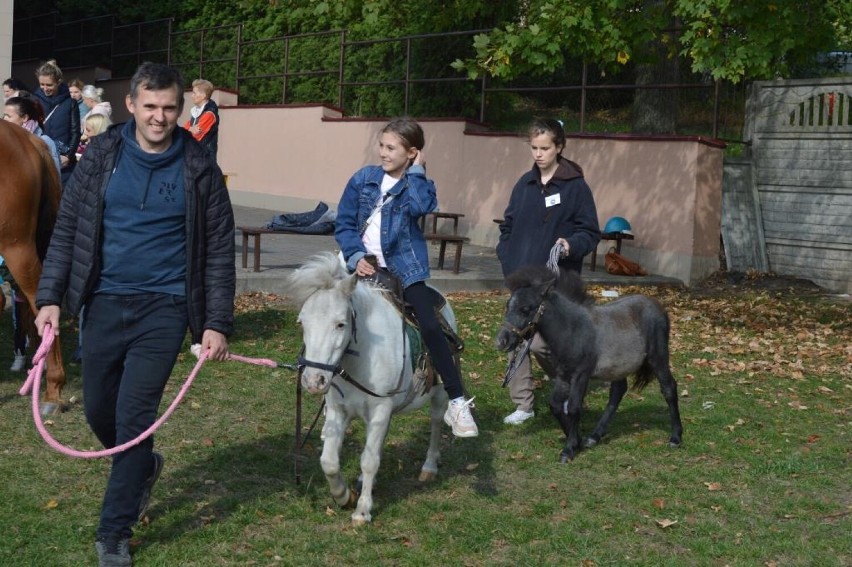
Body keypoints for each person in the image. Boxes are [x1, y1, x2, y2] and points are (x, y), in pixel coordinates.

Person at [34, 62, 235, 567]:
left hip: (164, 309)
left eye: (170, 107)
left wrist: (216, 322)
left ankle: (113, 533)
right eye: (150, 106)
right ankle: (141, 466)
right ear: (131, 104)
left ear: (181, 107)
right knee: (101, 409)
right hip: (103, 301)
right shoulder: (102, 154)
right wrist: (50, 297)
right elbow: (68, 233)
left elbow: (217, 251)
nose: (160, 117)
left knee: (133, 417)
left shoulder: (198, 166)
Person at [335, 117, 478, 438]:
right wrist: (356, 256)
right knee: (327, 314)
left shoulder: (417, 185)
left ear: (412, 152)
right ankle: (330, 389)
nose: (383, 152)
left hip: (405, 272)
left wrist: (417, 171)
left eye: (391, 148)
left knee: (429, 324)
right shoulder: (363, 179)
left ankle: (456, 400)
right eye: (381, 145)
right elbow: (344, 224)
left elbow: (421, 206)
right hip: (360, 267)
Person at [496, 118, 601, 425]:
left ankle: (573, 379)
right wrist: (507, 257)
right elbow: (508, 225)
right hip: (522, 281)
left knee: (543, 342)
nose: (538, 154)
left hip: (556, 283)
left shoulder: (576, 187)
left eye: (545, 148)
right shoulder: (524, 184)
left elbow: (590, 232)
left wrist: (571, 245)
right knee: (516, 339)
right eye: (534, 148)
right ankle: (523, 405)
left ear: (559, 147)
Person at [33, 60, 81, 185]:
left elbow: (75, 133)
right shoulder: (34, 101)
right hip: (40, 159)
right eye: (41, 84)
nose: (45, 88)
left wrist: (69, 156)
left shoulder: (70, 103)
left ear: (58, 82)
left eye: (49, 85)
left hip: (63, 162)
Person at [183, 78, 219, 162]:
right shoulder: (196, 111)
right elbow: (185, 128)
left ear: (202, 95)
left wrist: (188, 129)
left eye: (194, 93)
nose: (192, 96)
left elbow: (196, 136)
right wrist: (190, 129)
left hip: (205, 159)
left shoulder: (209, 114)